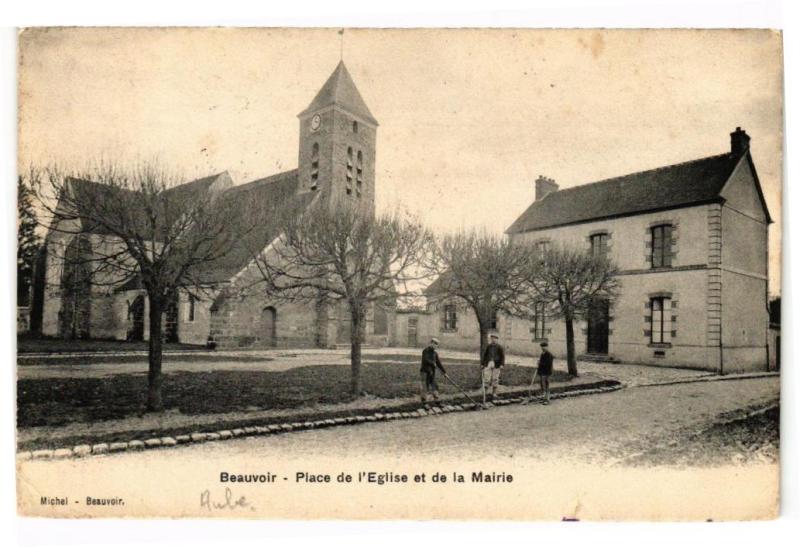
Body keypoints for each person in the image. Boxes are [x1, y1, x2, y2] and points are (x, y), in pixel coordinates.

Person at [420, 338, 446, 405]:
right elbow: (425, 360)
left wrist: (444, 372)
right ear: (431, 343)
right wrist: (432, 363)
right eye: (435, 344)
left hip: (432, 372)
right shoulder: (425, 351)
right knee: (425, 386)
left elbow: (439, 363)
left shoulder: (435, 353)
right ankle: (424, 402)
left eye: (437, 345)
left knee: (435, 386)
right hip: (425, 372)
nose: (436, 346)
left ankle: (437, 401)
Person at [481, 333, 505, 402]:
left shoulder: (499, 347)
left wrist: (502, 364)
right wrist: (483, 364)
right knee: (486, 378)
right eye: (492, 338)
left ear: (497, 339)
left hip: (496, 364)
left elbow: (502, 357)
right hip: (489, 363)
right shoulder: (489, 347)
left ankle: (494, 393)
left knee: (495, 378)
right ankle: (485, 392)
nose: (493, 340)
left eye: (494, 338)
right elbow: (485, 355)